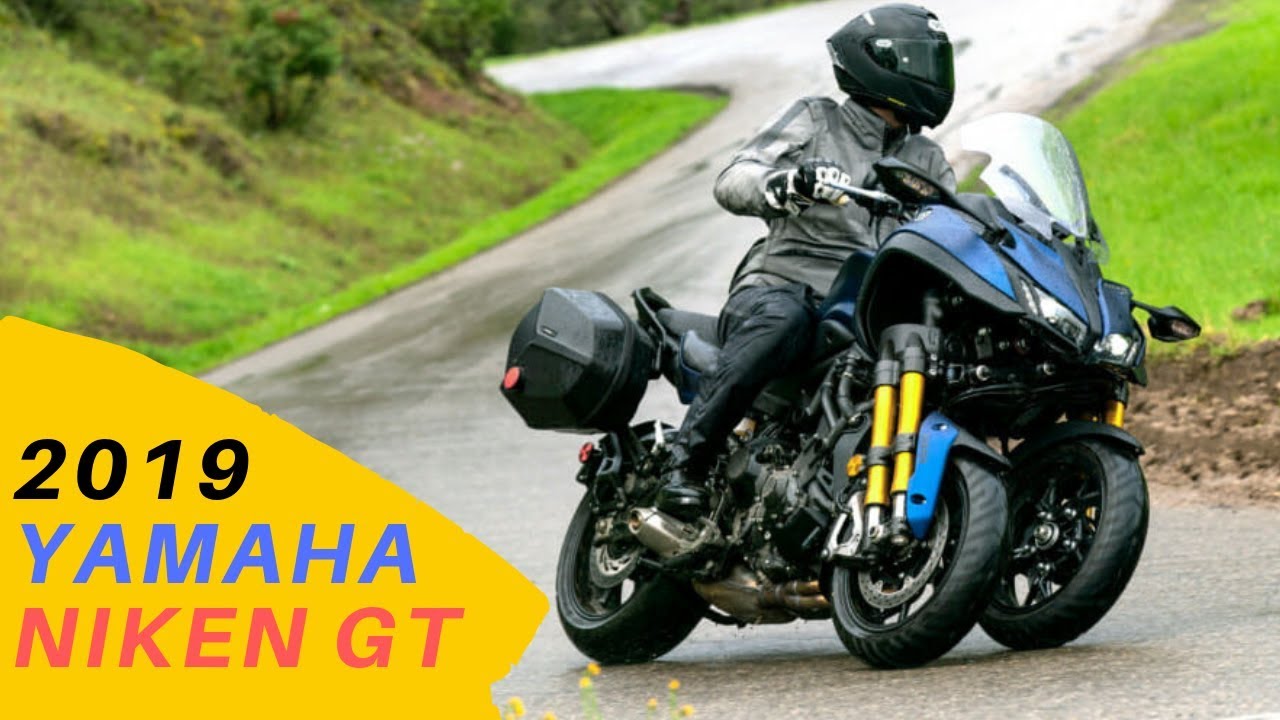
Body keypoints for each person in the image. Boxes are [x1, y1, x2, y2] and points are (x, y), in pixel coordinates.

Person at [657, 3, 960, 520]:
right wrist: (786, 184)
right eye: (919, 61)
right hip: (782, 284)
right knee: (785, 320)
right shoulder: (817, 120)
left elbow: (954, 225)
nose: (932, 75)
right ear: (876, 62)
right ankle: (685, 463)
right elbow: (735, 178)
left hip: (866, 307)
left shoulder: (924, 157)